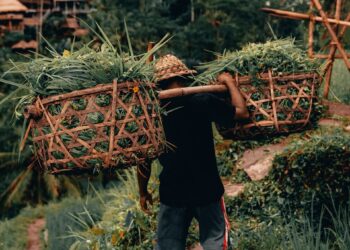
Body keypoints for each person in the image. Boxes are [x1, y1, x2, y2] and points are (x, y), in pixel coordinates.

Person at [137, 54, 249, 250]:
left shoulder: (153, 112)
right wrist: (230, 82)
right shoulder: (203, 101)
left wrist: (143, 192)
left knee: (168, 247)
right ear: (184, 78)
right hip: (206, 188)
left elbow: (144, 159)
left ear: (159, 84)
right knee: (215, 240)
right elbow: (242, 112)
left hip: (173, 192)